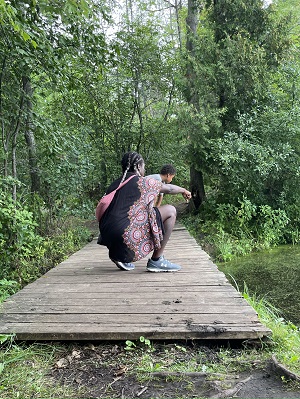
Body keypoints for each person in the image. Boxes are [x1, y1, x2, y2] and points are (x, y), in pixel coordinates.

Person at [97, 151, 191, 272]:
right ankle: (157, 260)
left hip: (107, 236)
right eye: (143, 167)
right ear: (138, 167)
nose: (144, 170)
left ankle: (122, 257)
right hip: (125, 236)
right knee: (171, 211)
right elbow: (169, 188)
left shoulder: (115, 184)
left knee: (134, 216)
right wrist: (184, 190)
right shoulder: (142, 182)